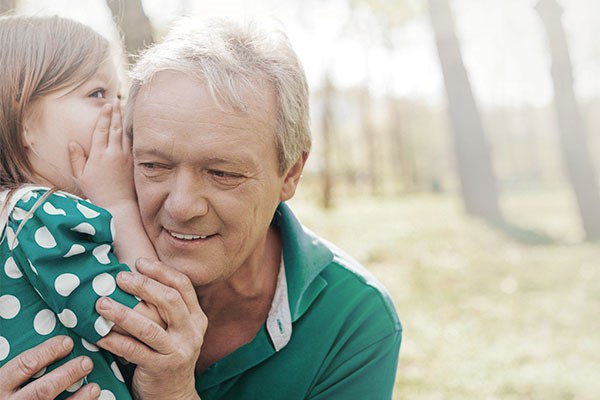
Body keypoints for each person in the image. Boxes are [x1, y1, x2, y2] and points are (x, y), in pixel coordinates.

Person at [1, 17, 402, 400]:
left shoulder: (353, 319)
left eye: (222, 173)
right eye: (154, 166)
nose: (182, 206)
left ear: (290, 173)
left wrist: (173, 392)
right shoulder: (65, 233)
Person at [0, 15, 160, 400]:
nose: (119, 114)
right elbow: (151, 325)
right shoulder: (43, 215)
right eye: (97, 94)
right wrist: (118, 201)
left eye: (119, 96)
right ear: (24, 123)